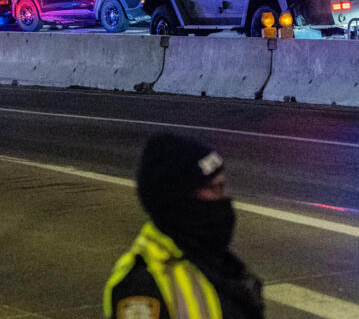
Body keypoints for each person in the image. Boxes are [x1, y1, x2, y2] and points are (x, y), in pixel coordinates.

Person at [104, 134, 264, 319]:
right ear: (180, 199)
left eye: (224, 186)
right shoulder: (144, 287)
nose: (225, 198)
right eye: (215, 188)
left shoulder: (218, 262)